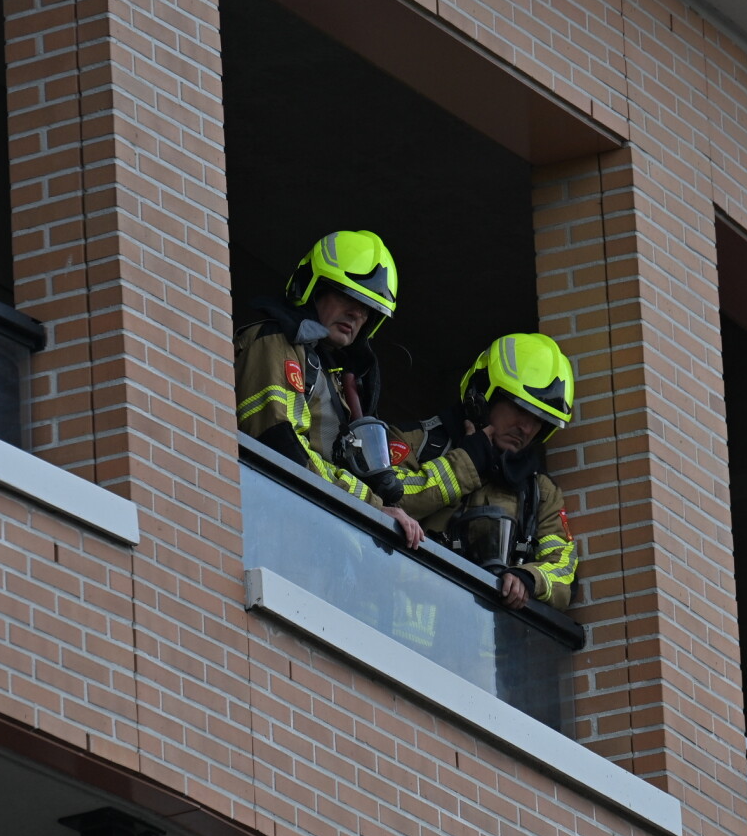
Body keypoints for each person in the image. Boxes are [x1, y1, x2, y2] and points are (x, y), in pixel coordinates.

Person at [233, 230, 442, 548]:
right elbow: (280, 444)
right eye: (348, 295)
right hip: (277, 529)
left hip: (314, 534)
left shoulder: (339, 379)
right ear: (313, 289)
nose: (357, 313)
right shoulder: (277, 341)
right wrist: (372, 508)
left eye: (367, 307)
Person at [396, 333, 579, 610]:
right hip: (401, 615)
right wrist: (468, 461)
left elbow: (564, 570)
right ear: (481, 396)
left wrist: (530, 577)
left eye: (539, 421)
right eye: (519, 409)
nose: (526, 428)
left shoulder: (540, 493)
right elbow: (387, 499)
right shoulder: (416, 442)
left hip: (480, 643)